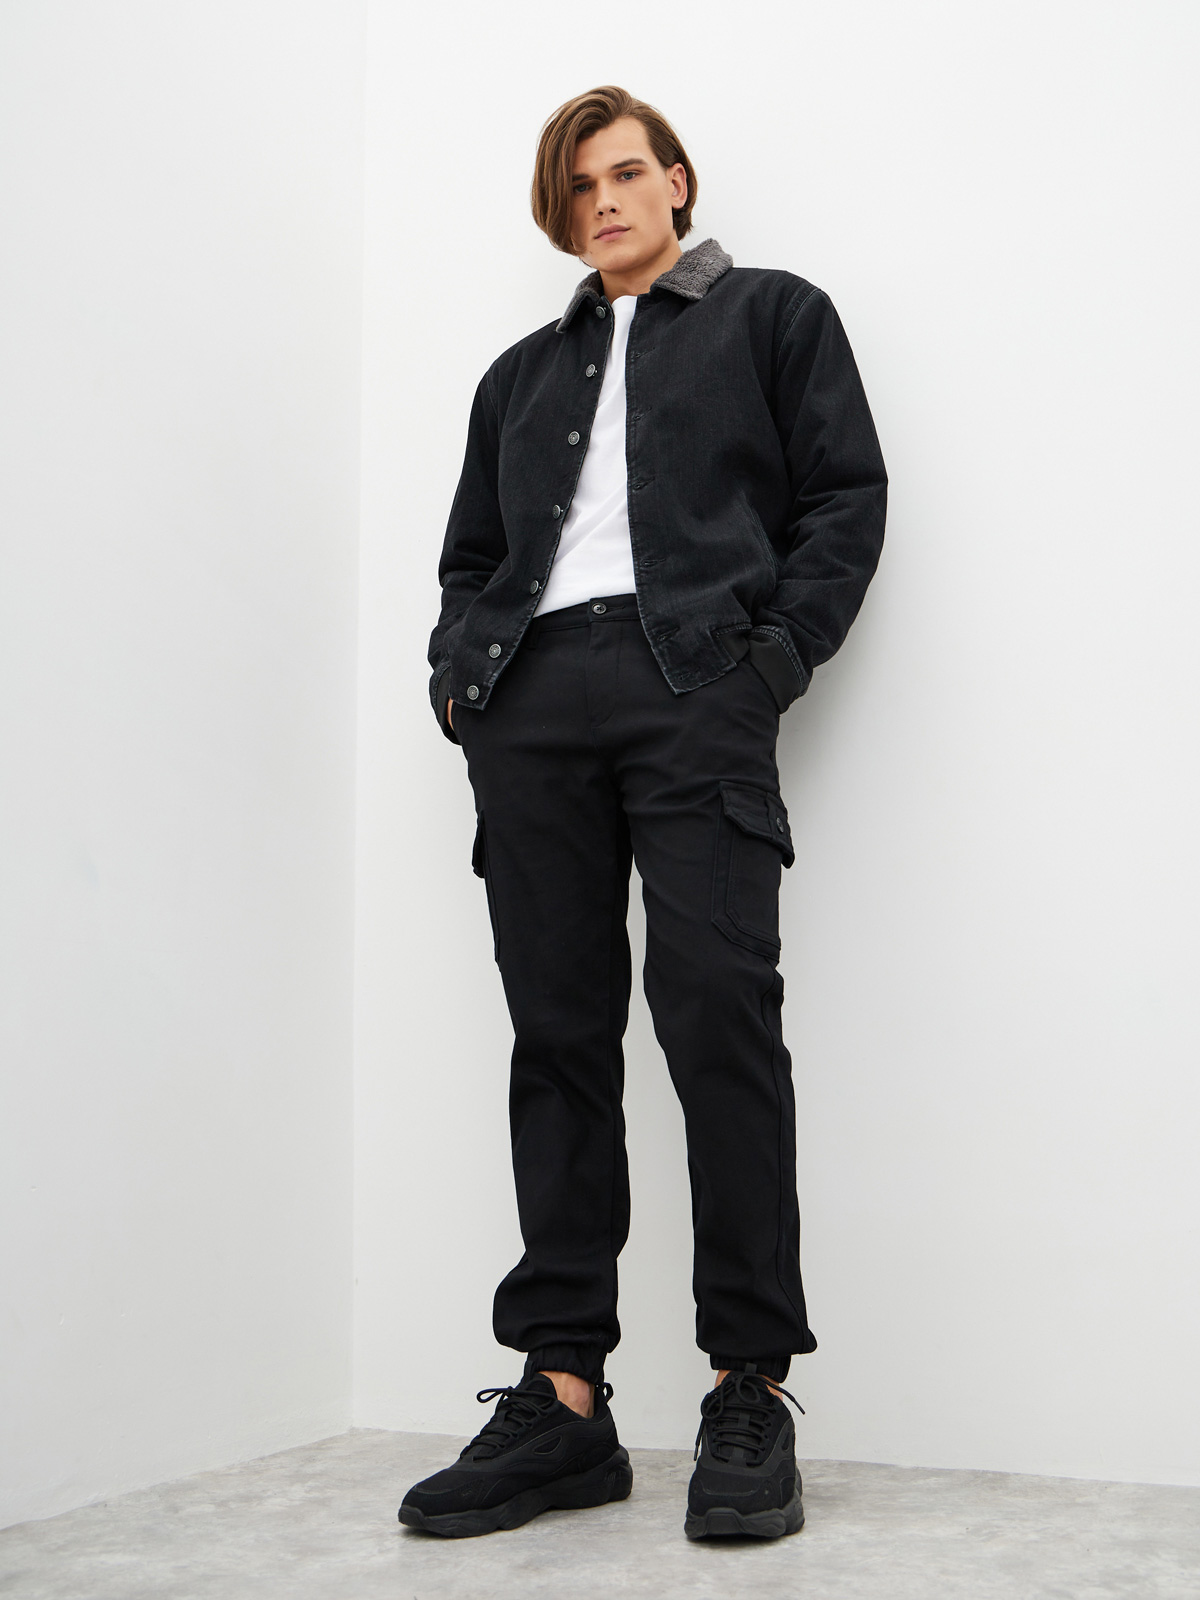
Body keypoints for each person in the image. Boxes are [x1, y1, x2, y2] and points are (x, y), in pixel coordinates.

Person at [399, 84, 887, 1542]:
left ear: (677, 181)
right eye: (578, 189)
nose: (602, 202)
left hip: (695, 690)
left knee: (717, 1014)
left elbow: (845, 501)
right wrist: (461, 683)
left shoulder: (775, 318)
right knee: (557, 1038)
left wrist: (768, 668)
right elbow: (472, 557)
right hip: (530, 701)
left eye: (623, 174)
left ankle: (749, 1386)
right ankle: (563, 1400)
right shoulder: (519, 378)